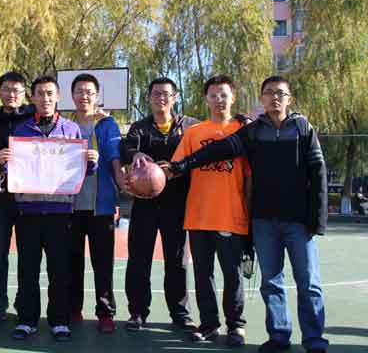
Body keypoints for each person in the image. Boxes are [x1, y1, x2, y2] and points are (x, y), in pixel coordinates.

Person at [168, 75, 329, 353]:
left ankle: (314, 340)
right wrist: (184, 164)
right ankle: (279, 336)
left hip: (298, 221)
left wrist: (319, 217)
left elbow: (318, 172)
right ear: (261, 99)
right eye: (269, 93)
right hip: (263, 220)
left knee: (309, 283)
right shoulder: (253, 132)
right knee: (271, 283)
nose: (274, 97)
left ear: (289, 99)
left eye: (280, 93)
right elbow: (221, 149)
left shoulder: (302, 128)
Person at [0, 75, 98, 342]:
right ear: (32, 98)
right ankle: (27, 320)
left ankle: (59, 321)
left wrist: (91, 162)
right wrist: (4, 162)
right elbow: (11, 171)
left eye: (50, 93)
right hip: (28, 212)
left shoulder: (71, 130)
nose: (45, 98)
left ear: (58, 97)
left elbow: (81, 171)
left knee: (59, 270)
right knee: (27, 270)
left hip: (60, 213)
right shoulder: (20, 131)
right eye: (40, 94)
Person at [170, 75, 251, 347]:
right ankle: (209, 324)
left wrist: (250, 213)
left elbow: (250, 177)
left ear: (233, 98)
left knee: (232, 274)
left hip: (231, 214)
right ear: (206, 99)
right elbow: (176, 167)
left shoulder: (243, 130)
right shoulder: (194, 132)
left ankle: (236, 325)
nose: (219, 100)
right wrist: (147, 172)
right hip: (199, 214)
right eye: (213, 95)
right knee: (203, 274)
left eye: (224, 95)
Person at [120, 77, 198, 332]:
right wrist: (135, 154)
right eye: (156, 94)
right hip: (145, 204)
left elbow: (202, 152)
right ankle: (137, 312)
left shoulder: (190, 127)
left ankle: (180, 313)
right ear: (149, 98)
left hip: (177, 204)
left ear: (174, 98)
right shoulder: (140, 128)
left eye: (165, 94)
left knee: (177, 262)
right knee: (138, 259)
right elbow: (125, 148)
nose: (160, 98)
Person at [68, 73, 125, 333]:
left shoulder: (107, 124)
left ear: (97, 95)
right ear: (72, 96)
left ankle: (105, 312)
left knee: (102, 263)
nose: (84, 96)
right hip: (69, 205)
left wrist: (122, 182)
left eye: (89, 91)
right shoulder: (64, 125)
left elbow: (115, 158)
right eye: (79, 91)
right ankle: (73, 308)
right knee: (72, 261)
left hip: (100, 205)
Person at [0, 71, 35, 321]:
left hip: (28, 196)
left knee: (27, 255)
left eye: (16, 90)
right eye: (6, 89)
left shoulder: (34, 115)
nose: (11, 94)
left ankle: (23, 301)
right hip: (0, 197)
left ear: (24, 93)